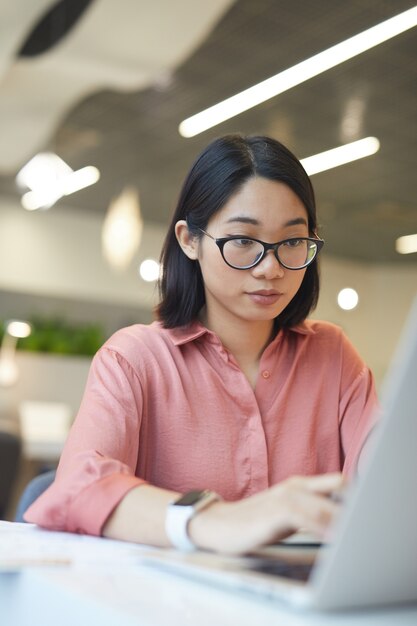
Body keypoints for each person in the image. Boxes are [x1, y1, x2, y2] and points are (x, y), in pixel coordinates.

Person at [25, 135, 377, 555]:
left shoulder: (333, 355)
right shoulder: (136, 358)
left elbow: (386, 480)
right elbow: (78, 487)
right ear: (189, 240)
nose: (271, 268)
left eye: (292, 242)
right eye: (243, 240)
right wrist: (210, 520)